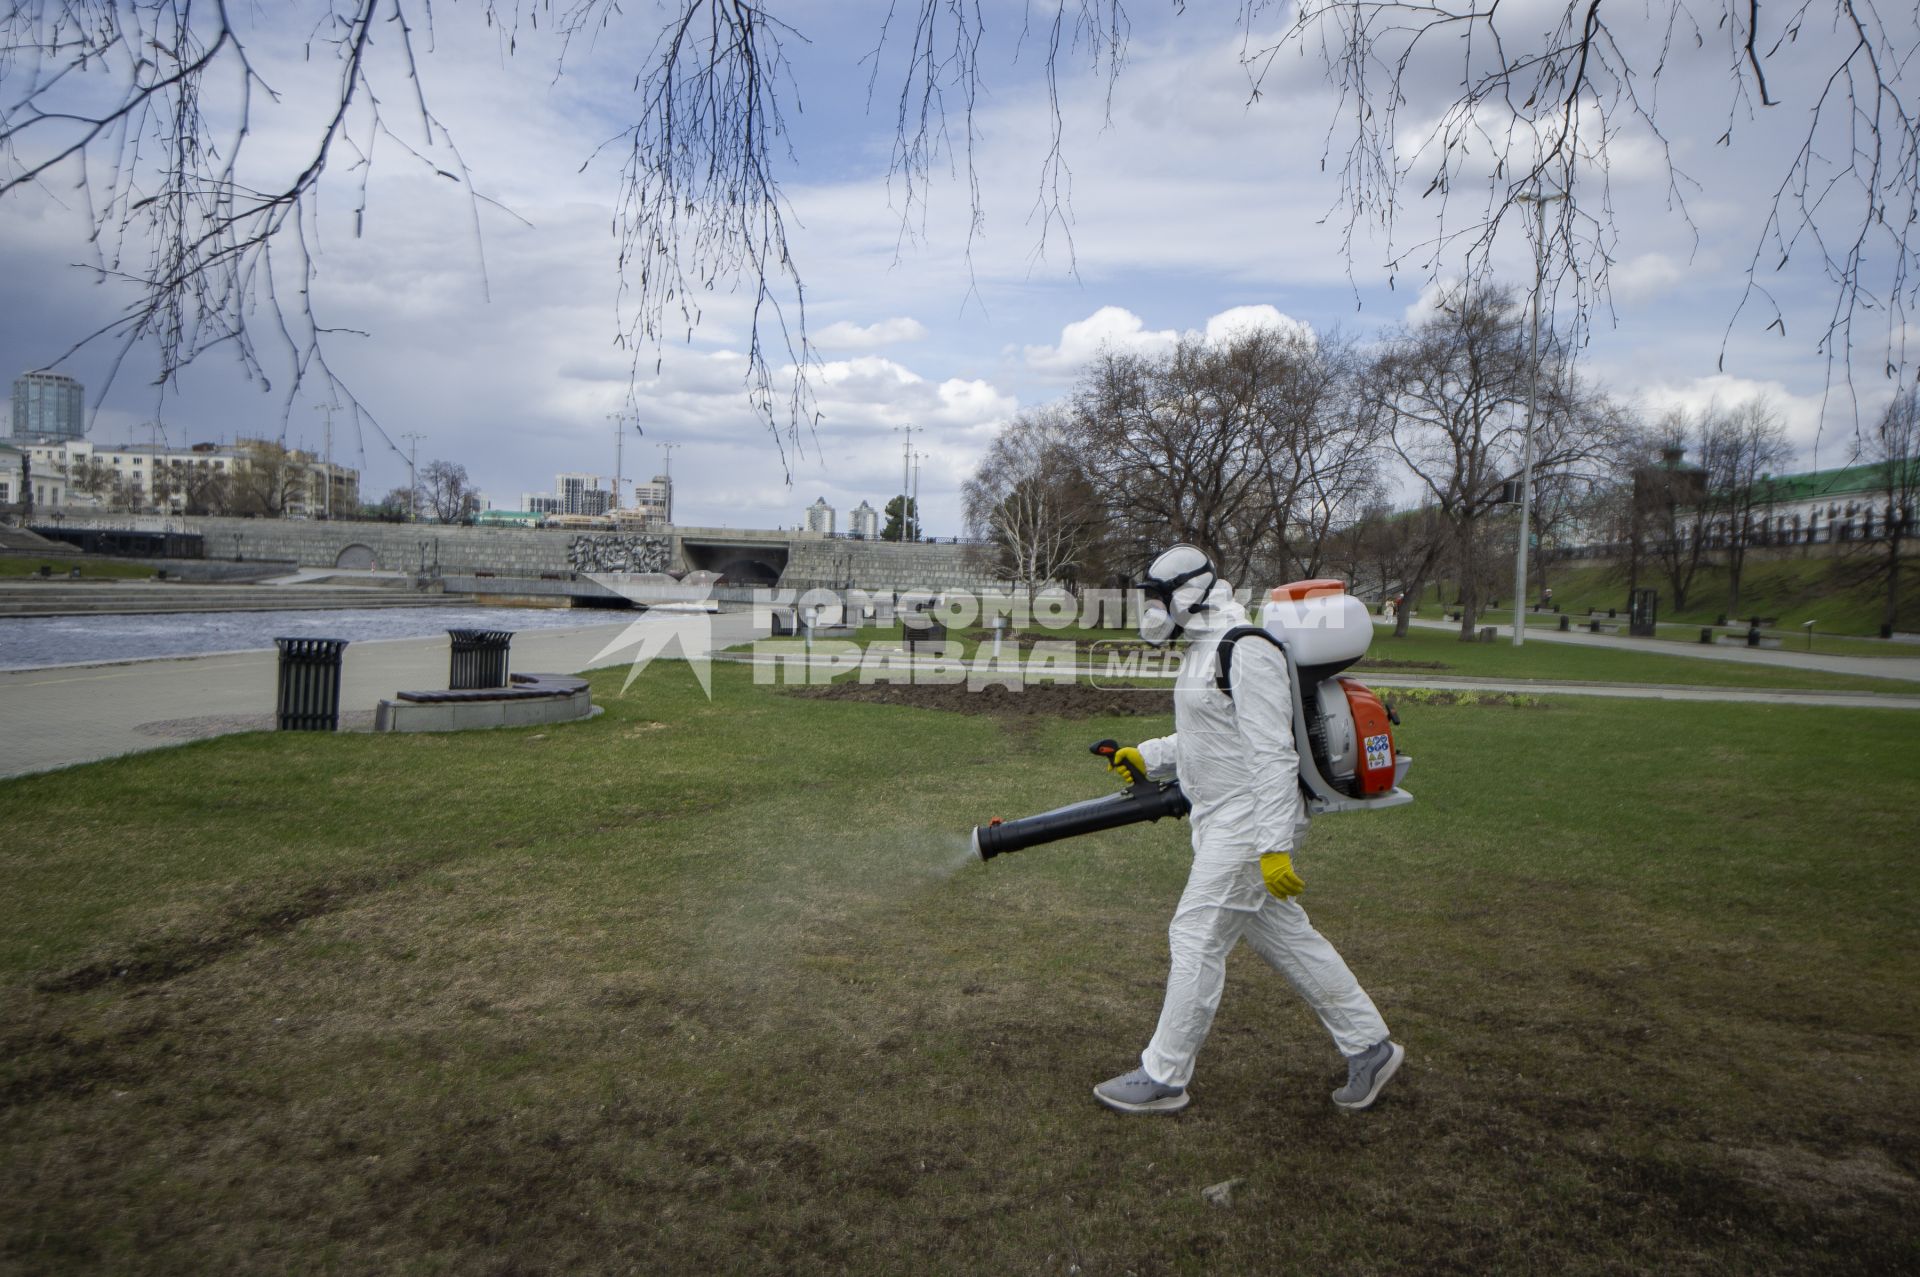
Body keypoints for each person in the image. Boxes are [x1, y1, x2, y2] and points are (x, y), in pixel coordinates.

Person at [1093, 544, 1403, 1115]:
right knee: (1288, 938)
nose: (1152, 610)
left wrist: (1273, 847)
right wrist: (1148, 755)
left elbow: (1272, 756)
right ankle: (1370, 1046)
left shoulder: (1245, 649)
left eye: (1159, 598)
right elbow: (1212, 737)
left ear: (1190, 593)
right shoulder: (1204, 649)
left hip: (1250, 823)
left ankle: (1164, 1075)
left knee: (1194, 935)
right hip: (1223, 820)